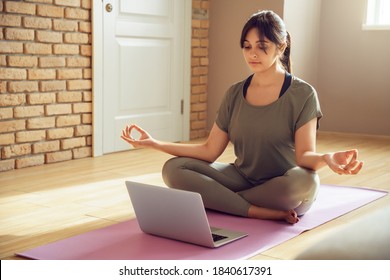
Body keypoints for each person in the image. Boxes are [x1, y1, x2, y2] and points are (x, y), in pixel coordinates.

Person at [121, 10, 363, 224]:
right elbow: (209, 151)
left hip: (283, 183)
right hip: (241, 178)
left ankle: (221, 202)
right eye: (247, 46)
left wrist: (327, 158)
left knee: (304, 184)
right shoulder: (234, 93)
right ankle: (255, 210)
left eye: (262, 46)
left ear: (281, 47)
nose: (252, 54)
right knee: (173, 169)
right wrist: (154, 143)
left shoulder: (303, 94)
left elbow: (304, 157)